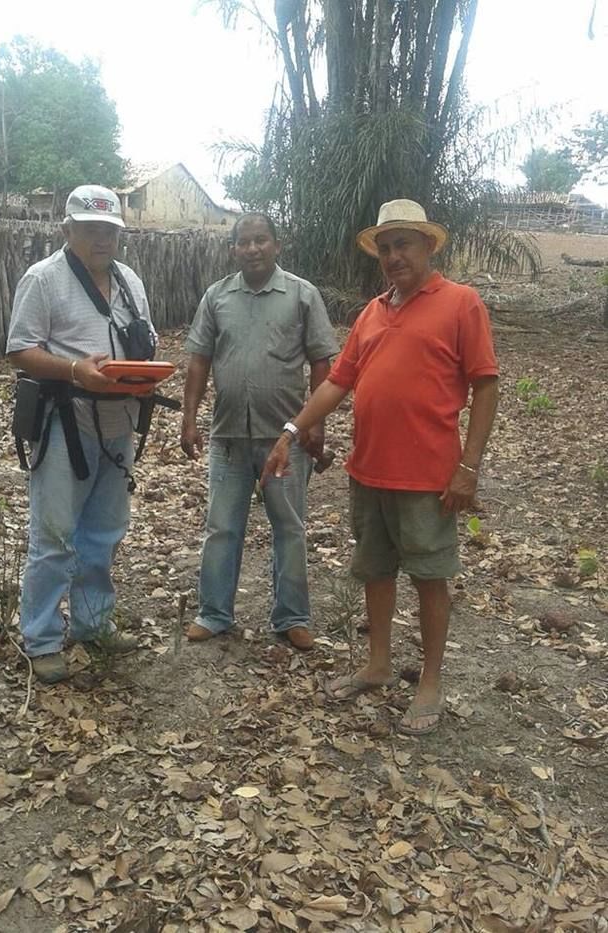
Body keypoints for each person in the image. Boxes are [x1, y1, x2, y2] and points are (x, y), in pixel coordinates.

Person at [261, 199, 499, 733]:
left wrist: (470, 466)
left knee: (430, 576)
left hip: (428, 475)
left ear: (428, 246)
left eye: (404, 244)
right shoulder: (372, 312)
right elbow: (338, 381)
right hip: (368, 469)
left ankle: (431, 681)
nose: (394, 256)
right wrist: (292, 432)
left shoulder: (461, 303)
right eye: (386, 248)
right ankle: (378, 664)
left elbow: (485, 383)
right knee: (376, 570)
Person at [6, 185, 157, 684]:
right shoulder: (44, 278)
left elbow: (145, 338)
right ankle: (43, 638)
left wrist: (143, 374)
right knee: (53, 537)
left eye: (109, 229)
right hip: (63, 423)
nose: (102, 238)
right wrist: (73, 369)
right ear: (67, 229)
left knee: (104, 534)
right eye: (91, 229)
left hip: (119, 423)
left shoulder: (130, 280)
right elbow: (20, 349)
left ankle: (93, 622)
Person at [181, 213, 339, 650]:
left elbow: (322, 361)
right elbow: (199, 360)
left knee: (289, 527)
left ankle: (292, 617)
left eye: (260, 240)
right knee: (222, 527)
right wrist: (189, 417)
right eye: (243, 242)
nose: (252, 249)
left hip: (285, 439)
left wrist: (316, 424)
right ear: (233, 249)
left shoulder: (302, 295)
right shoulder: (217, 297)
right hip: (228, 436)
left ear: (277, 245)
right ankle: (213, 613)